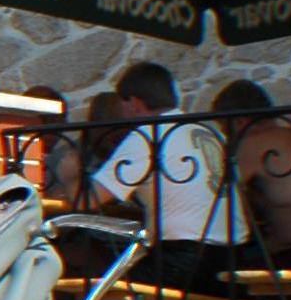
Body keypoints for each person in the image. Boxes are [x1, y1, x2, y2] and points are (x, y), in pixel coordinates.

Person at [89, 61, 245, 287]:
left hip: (184, 263)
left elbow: (90, 197)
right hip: (232, 258)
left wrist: (67, 175)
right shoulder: (209, 132)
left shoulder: (150, 133)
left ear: (134, 104)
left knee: (92, 266)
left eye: (120, 106)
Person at [214, 79, 291, 261]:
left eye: (224, 129)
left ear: (238, 122)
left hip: (285, 258)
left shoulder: (253, 143)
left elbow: (221, 196)